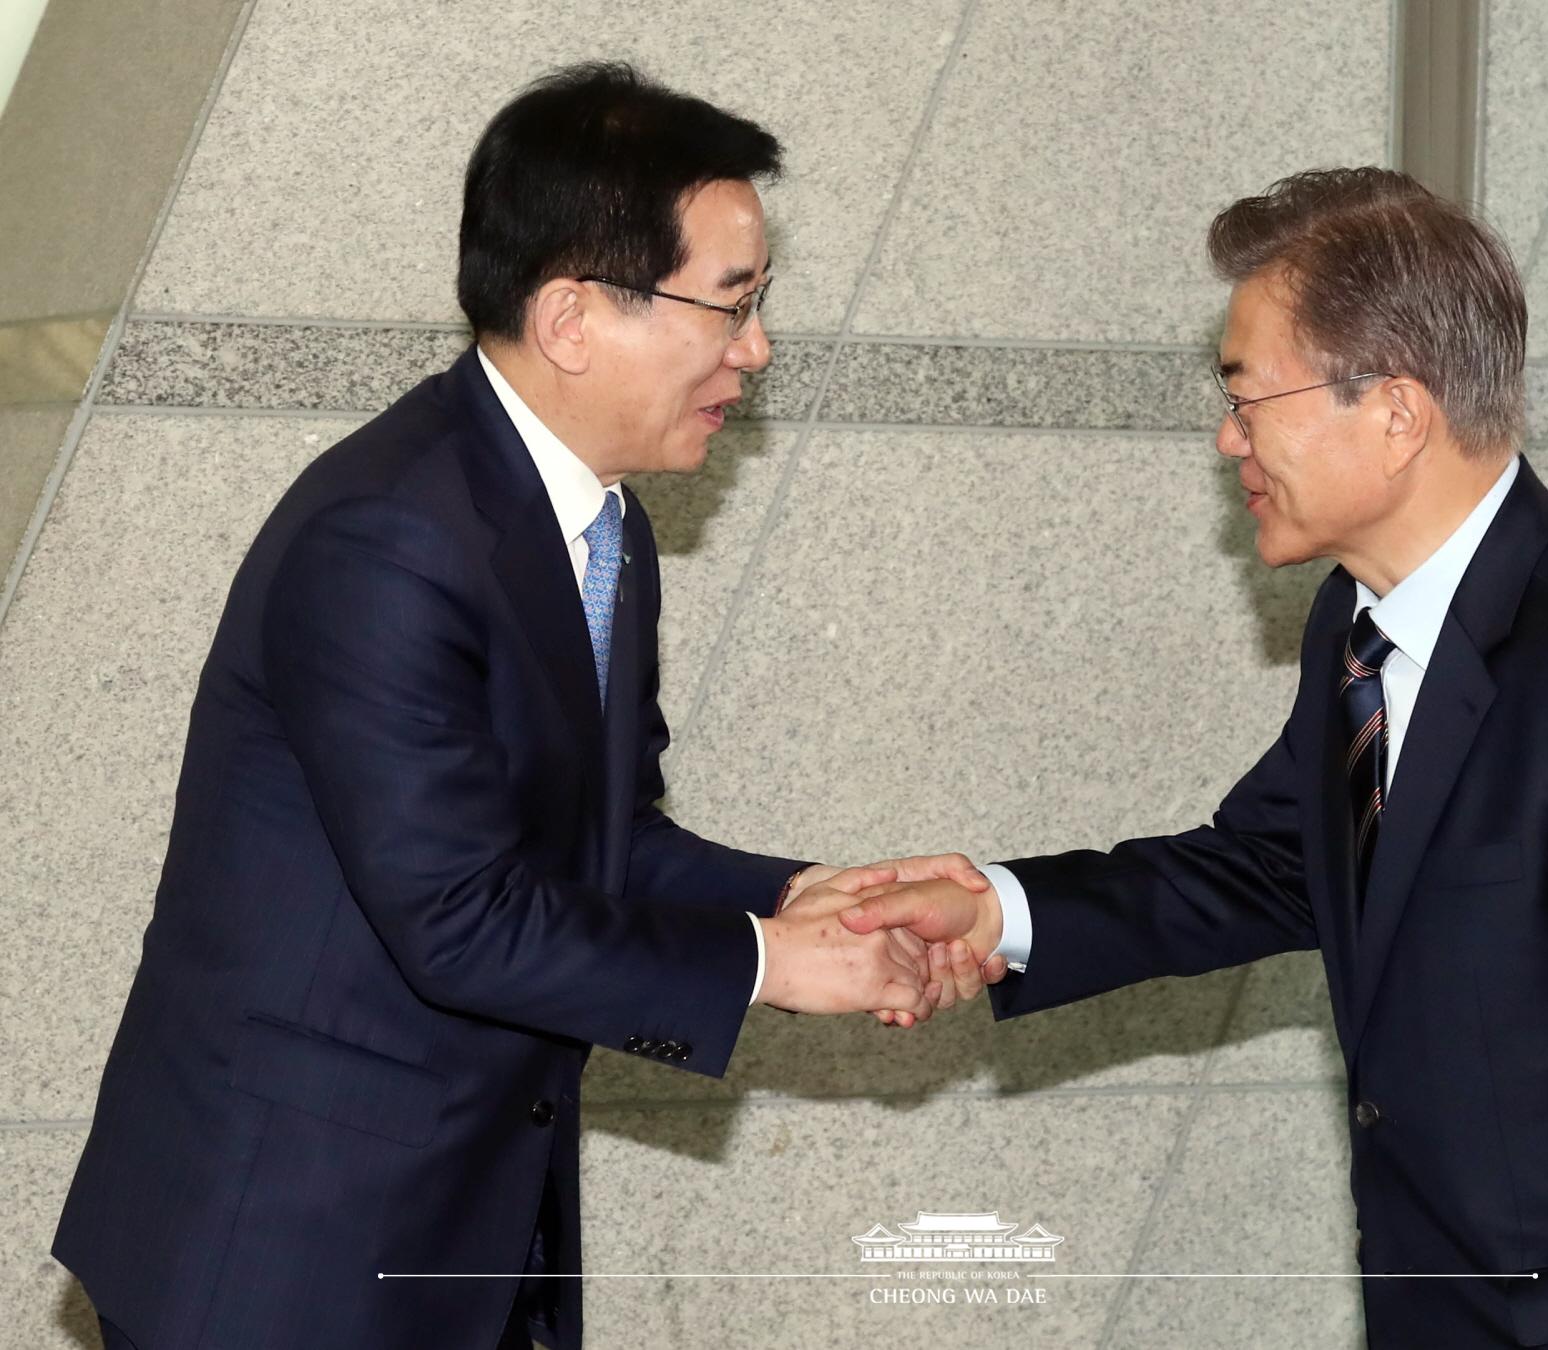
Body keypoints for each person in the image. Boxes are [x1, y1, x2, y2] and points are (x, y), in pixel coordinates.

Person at [843, 166, 1548, 1347]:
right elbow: (1277, 864)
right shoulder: (1358, 620)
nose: (1227, 435)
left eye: (1249, 396)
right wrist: (1000, 914)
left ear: (1396, 413)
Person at [53, 63, 991, 1350]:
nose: (755, 351)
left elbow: (597, 841)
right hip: (284, 1243)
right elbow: (458, 920)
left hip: (461, 1222)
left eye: (760, 304)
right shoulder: (386, 537)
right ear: (571, 319)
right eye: (731, 304)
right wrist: (777, 966)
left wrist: (806, 894)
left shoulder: (601, 524)